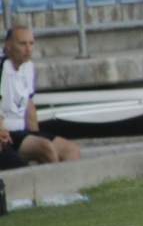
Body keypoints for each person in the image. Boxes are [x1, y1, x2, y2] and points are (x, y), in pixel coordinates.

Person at [0, 26, 82, 170]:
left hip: (22, 131)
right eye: (23, 44)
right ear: (10, 45)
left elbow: (29, 106)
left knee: (71, 150)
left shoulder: (29, 66)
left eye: (31, 43)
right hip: (6, 132)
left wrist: (36, 134)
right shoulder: (2, 66)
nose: (29, 49)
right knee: (45, 147)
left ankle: (69, 187)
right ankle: (55, 188)